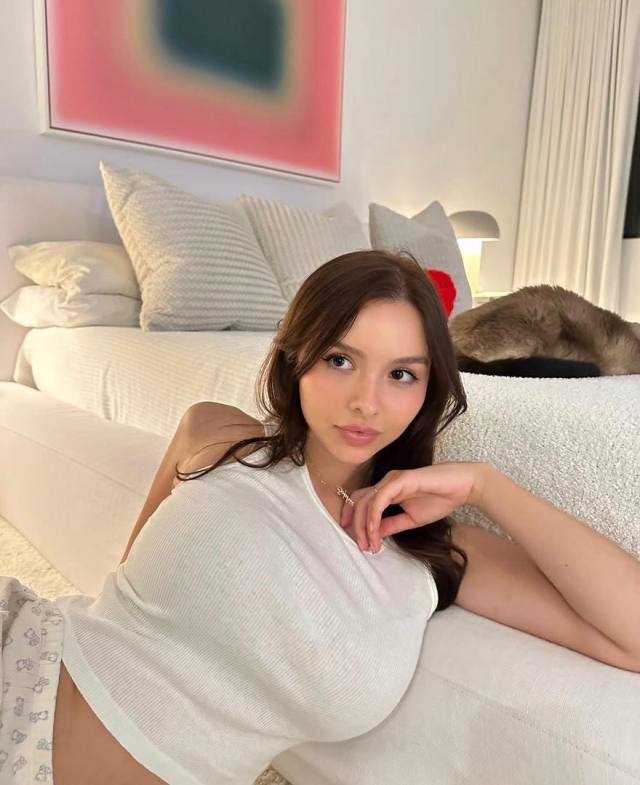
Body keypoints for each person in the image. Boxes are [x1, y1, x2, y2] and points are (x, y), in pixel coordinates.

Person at [2, 249, 639, 785]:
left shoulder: (433, 548)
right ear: (295, 357)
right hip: (26, 675)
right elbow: (119, 601)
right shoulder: (221, 436)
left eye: (401, 374)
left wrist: (487, 486)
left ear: (428, 391)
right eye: (339, 360)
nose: (366, 402)